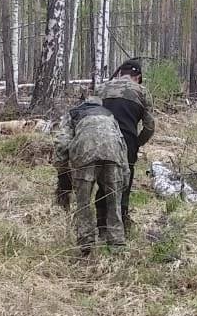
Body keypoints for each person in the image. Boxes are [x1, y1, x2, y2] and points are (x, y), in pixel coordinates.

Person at [53, 95, 128, 254]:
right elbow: (122, 144)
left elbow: (61, 142)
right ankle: (117, 246)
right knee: (114, 203)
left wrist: (61, 169)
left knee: (84, 203)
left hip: (84, 155)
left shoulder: (73, 114)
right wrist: (125, 174)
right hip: (113, 155)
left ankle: (86, 245)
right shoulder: (109, 116)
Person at [98, 58, 156, 234]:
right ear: (137, 77)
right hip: (127, 140)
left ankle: (101, 224)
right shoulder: (141, 92)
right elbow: (149, 126)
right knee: (124, 183)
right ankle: (121, 221)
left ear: (120, 73)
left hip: (100, 139)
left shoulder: (101, 88)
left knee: (102, 180)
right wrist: (137, 144)